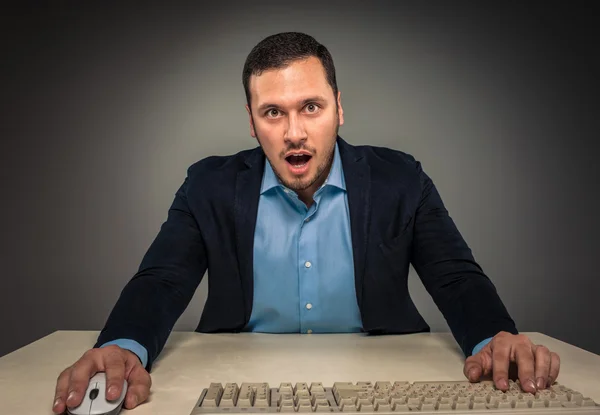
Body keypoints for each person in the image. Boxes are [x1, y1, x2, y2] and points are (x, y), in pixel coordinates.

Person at [52, 32, 560, 414]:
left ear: (339, 109)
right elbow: (161, 279)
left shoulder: (399, 178)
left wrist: (496, 336)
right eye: (273, 112)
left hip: (385, 385)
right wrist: (120, 348)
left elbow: (455, 276)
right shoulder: (208, 185)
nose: (294, 132)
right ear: (251, 122)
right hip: (238, 387)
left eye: (310, 107)